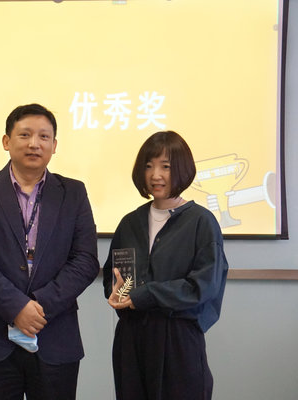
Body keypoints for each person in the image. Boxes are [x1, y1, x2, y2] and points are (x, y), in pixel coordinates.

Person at [0, 103, 100, 400]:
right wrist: (16, 307)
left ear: (54, 145)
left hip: (54, 335)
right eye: (25, 135)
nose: (34, 143)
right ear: (6, 141)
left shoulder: (73, 193)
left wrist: (39, 305)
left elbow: (85, 260)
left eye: (44, 136)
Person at [103, 130, 228, 400]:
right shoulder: (129, 222)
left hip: (178, 338)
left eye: (166, 167)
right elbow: (112, 275)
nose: (155, 175)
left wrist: (147, 295)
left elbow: (203, 286)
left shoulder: (201, 222)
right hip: (131, 337)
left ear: (182, 169)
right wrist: (116, 292)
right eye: (148, 166)